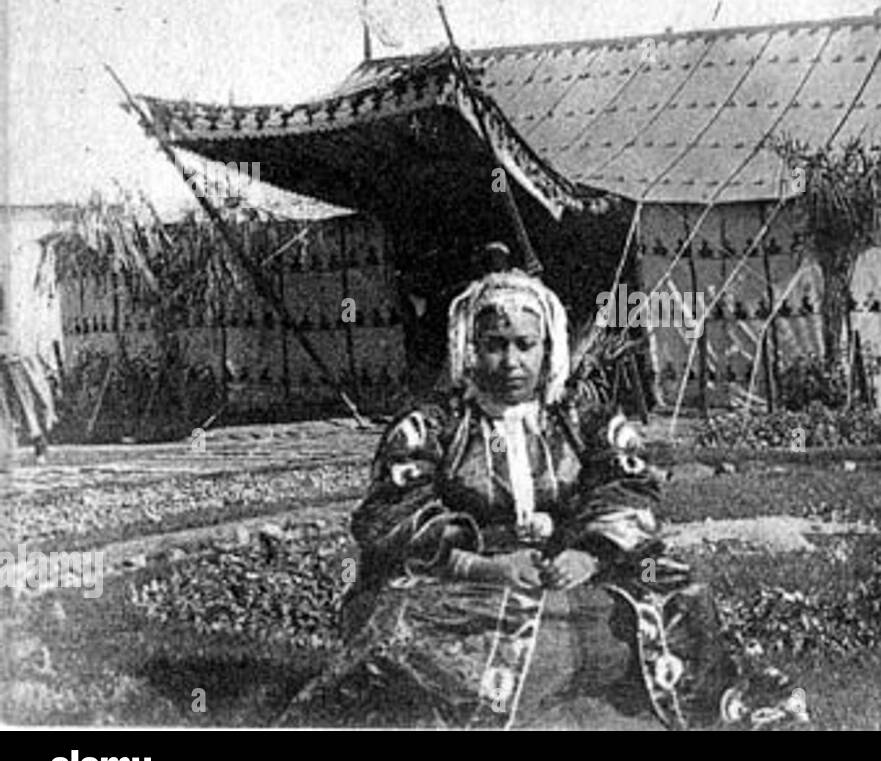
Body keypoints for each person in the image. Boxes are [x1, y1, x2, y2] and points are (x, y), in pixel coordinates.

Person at [278, 268, 806, 729]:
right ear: (469, 348)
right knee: (404, 619)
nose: (510, 360)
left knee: (678, 590)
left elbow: (630, 484)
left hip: (575, 566)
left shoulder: (584, 417)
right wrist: (486, 567)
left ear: (547, 347)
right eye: (495, 344)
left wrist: (588, 552)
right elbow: (391, 513)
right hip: (462, 573)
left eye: (524, 345)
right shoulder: (431, 426)